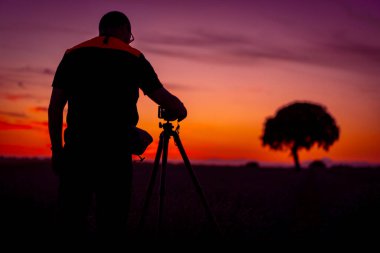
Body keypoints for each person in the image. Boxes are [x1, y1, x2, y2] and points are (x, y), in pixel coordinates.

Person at [48, 11, 187, 244]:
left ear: (102, 29)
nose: (129, 40)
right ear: (124, 29)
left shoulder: (73, 54)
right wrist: (180, 109)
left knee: (70, 223)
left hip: (76, 151)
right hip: (115, 155)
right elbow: (161, 96)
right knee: (112, 224)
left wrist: (57, 151)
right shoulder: (133, 57)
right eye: (129, 35)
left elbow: (55, 108)